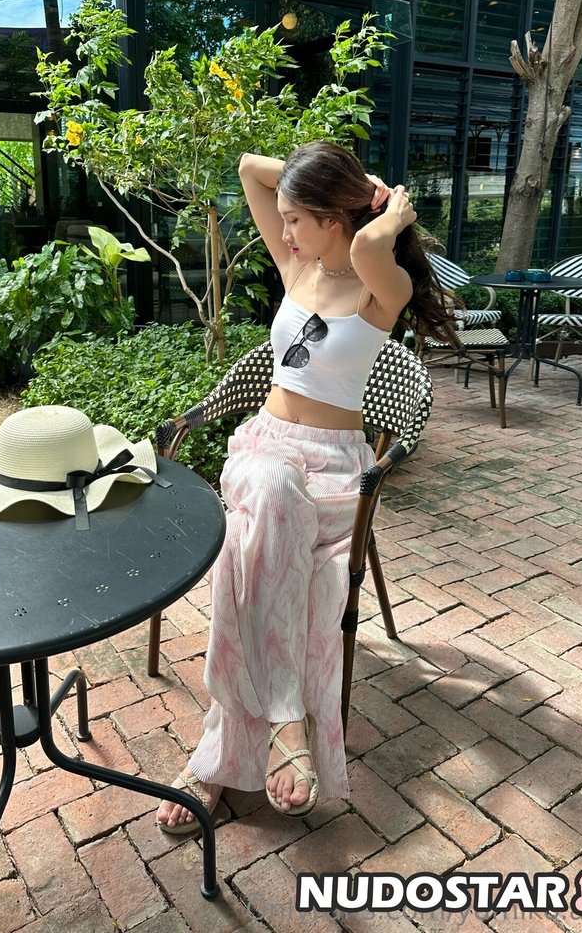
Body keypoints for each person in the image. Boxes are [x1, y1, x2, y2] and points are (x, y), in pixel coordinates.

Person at [156, 140, 449, 833]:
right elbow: (248, 169)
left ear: (332, 217)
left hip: (334, 469)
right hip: (262, 448)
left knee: (251, 546)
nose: (283, 232)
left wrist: (388, 213)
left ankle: (220, 754)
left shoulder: (380, 290)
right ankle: (289, 722)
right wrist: (358, 183)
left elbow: (370, 245)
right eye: (283, 218)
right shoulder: (298, 266)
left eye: (295, 218)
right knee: (271, 488)